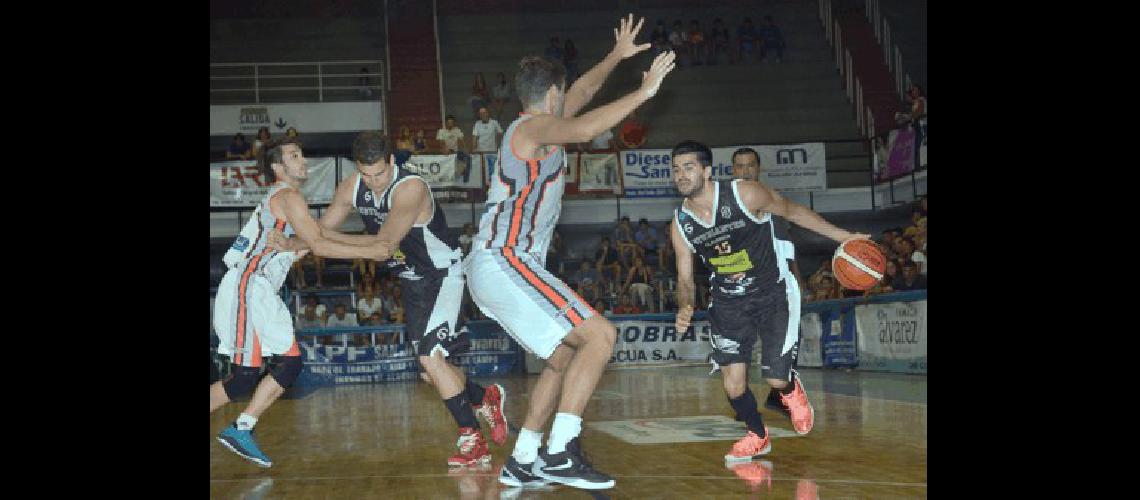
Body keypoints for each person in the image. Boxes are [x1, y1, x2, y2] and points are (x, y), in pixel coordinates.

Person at [463, 15, 674, 490]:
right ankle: (560, 451)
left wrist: (616, 57)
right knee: (600, 337)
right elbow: (582, 130)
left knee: (562, 357)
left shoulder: (542, 122)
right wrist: (642, 94)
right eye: (564, 95)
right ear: (551, 96)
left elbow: (581, 94)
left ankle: (522, 458)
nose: (570, 99)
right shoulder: (530, 130)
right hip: (504, 258)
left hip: (507, 264)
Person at [268, 132, 509, 467]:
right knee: (431, 372)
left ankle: (472, 439)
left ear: (392, 162)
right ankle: (485, 397)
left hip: (442, 274)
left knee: (430, 359)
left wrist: (317, 240)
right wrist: (296, 243)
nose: (374, 183)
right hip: (412, 281)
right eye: (366, 175)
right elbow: (320, 227)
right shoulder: (351, 186)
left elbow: (381, 247)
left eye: (379, 174)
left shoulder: (410, 189)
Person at [669, 140, 869, 462]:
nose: (681, 175)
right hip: (728, 303)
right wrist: (685, 306)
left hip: (772, 292)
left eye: (688, 167)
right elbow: (684, 276)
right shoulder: (680, 224)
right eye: (676, 169)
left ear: (707, 171)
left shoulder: (745, 194)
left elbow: (793, 211)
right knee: (733, 385)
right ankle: (758, 435)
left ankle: (790, 389)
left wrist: (844, 238)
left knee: (775, 378)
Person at [210, 139, 385, 468]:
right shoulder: (287, 196)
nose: (303, 159)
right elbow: (318, 243)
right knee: (265, 370)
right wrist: (372, 247)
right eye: (294, 155)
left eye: (301, 153)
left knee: (260, 373)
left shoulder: (290, 201)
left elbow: (309, 241)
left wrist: (350, 214)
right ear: (278, 168)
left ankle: (242, 428)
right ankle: (242, 428)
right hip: (249, 285)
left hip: (255, 289)